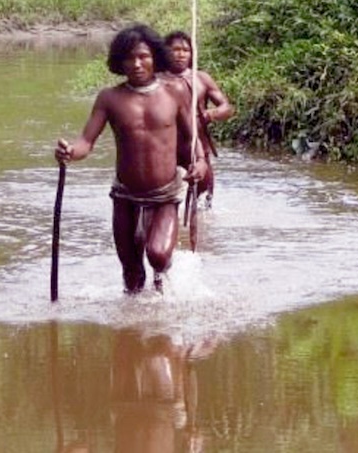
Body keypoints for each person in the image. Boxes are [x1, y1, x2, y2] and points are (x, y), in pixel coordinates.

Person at [55, 25, 208, 294]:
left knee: (158, 255)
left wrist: (200, 160)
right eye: (129, 58)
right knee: (131, 271)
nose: (137, 64)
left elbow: (190, 137)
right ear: (119, 62)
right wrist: (70, 153)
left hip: (165, 193)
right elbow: (86, 142)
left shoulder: (175, 91)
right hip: (125, 195)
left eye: (143, 56)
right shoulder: (110, 98)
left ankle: (164, 284)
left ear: (155, 58)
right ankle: (134, 323)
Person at [163, 30, 234, 204]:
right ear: (165, 52)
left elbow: (227, 108)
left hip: (197, 145)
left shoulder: (201, 79)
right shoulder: (157, 80)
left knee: (203, 194)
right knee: (164, 197)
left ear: (192, 53)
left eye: (185, 50)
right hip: (165, 147)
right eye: (175, 49)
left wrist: (209, 115)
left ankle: (201, 228)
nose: (180, 54)